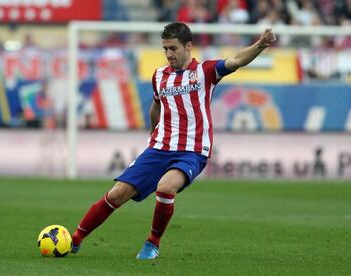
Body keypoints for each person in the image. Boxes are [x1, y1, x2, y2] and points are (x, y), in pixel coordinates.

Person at [71, 22, 276, 260]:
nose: (169, 54)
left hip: (192, 150)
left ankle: (152, 243)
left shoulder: (205, 72)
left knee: (166, 187)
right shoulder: (159, 76)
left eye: (173, 48)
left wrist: (260, 44)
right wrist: (153, 134)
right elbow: (156, 105)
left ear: (188, 46)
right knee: (117, 194)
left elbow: (236, 60)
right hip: (159, 147)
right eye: (165, 49)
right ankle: (75, 239)